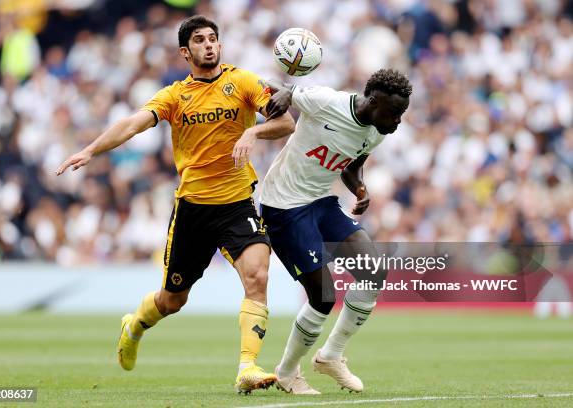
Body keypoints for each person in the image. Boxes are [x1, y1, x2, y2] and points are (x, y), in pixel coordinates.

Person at [56, 15, 295, 394]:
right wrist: (90, 150)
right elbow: (133, 123)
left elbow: (286, 124)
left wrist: (253, 129)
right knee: (172, 300)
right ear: (186, 52)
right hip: (193, 210)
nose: (209, 45)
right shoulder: (174, 96)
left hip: (237, 204)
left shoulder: (244, 82)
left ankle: (247, 367)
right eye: (200, 40)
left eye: (213, 38)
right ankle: (134, 326)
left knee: (258, 274)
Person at [260, 69, 412, 394]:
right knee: (324, 297)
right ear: (373, 101)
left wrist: (359, 188)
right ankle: (287, 372)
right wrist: (284, 95)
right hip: (284, 205)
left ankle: (331, 355)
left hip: (320, 201)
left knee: (373, 273)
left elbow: (351, 163)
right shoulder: (328, 102)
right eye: (394, 113)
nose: (398, 121)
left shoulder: (377, 130)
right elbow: (284, 89)